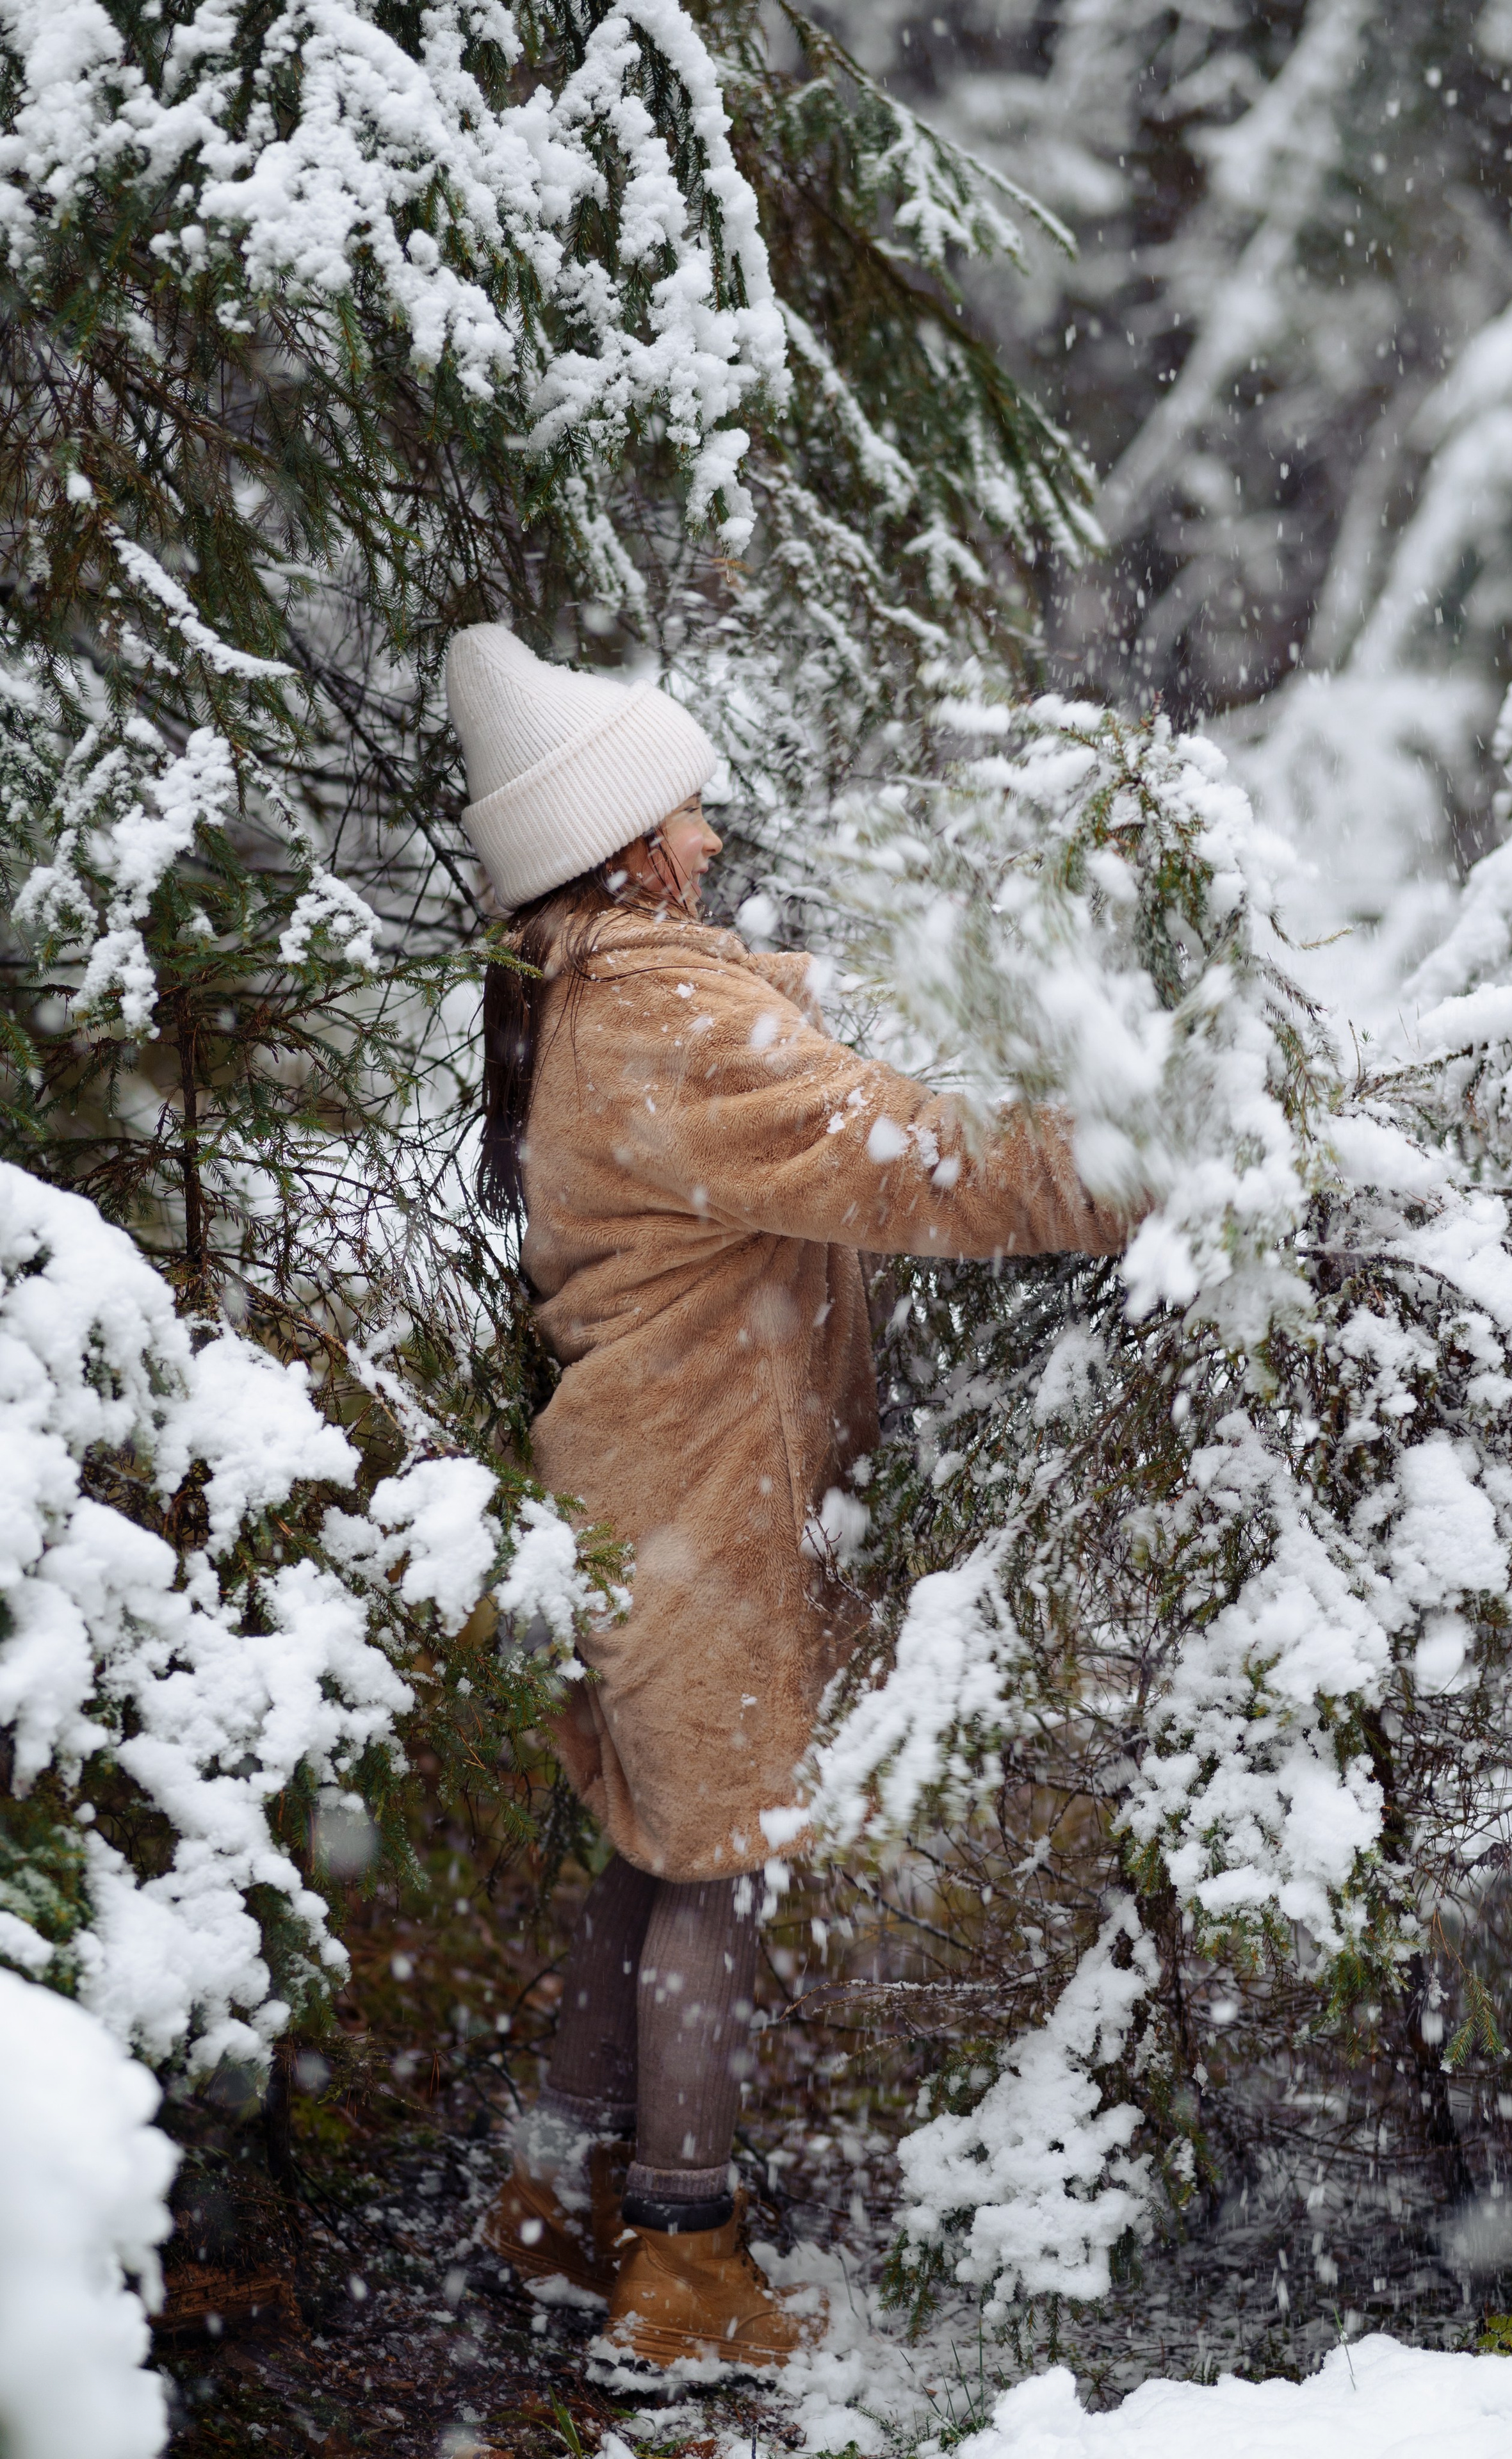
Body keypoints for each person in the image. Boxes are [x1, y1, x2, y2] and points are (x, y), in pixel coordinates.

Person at [443, 624, 1138, 2371]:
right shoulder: (661, 1015)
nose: (713, 837)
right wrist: (1140, 1165)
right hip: (704, 1499)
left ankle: (549, 2197)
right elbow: (908, 1160)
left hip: (647, 1484)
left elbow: (785, 1039)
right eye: (686, 813)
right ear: (626, 847)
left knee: (654, 1851)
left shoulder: (606, 989)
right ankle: (682, 2263)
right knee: (717, 1874)